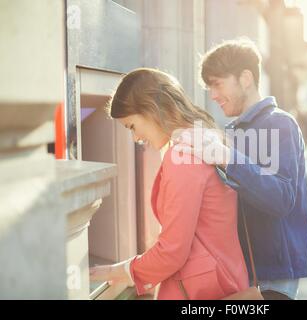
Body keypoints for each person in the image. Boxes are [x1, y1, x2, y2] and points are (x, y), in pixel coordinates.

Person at [89, 68, 249, 300]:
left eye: (132, 126)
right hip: (220, 280)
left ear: (150, 109)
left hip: (202, 291)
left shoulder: (183, 156)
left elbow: (172, 251)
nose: (135, 138)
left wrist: (122, 271)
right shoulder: (200, 139)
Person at [175, 39, 307, 300]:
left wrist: (226, 158)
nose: (213, 95)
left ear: (246, 78)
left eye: (217, 83)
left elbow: (282, 198)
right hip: (239, 272)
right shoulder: (232, 132)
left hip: (271, 277)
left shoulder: (279, 124)